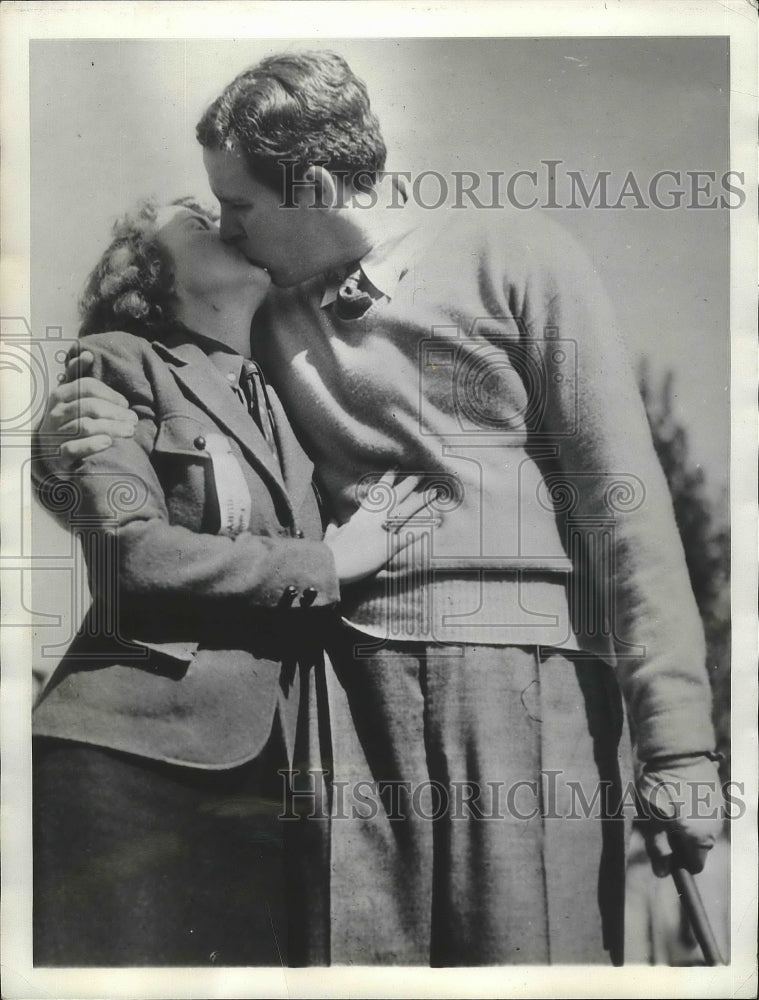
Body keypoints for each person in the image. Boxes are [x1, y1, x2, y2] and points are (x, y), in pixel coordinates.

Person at [37, 52, 725, 966]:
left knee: (531, 964)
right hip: (339, 693)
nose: (230, 230)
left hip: (519, 685)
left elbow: (625, 510)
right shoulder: (255, 311)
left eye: (240, 205)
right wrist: (67, 435)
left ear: (315, 185)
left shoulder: (518, 255)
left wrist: (678, 751)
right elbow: (136, 430)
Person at [31, 196, 434, 966]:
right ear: (147, 276)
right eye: (193, 216)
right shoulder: (118, 360)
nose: (224, 219)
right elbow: (133, 557)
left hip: (266, 775)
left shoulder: (288, 397)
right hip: (124, 758)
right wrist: (327, 563)